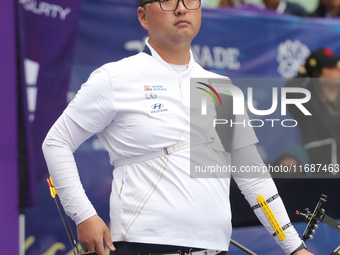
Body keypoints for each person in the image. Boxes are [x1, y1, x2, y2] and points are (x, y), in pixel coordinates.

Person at [42, 0, 313, 254]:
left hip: (213, 245)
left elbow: (252, 176)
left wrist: (294, 247)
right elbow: (56, 142)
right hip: (143, 243)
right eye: (168, 1)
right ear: (143, 16)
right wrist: (83, 214)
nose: (181, 9)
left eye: (190, 1)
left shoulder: (219, 87)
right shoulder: (116, 77)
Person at [286, 48, 340, 173]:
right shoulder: (308, 100)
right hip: (322, 172)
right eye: (331, 67)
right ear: (318, 74)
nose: (338, 70)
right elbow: (291, 91)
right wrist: (303, 72)